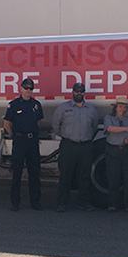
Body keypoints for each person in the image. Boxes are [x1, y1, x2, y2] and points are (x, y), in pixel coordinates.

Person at [51, 82, 99, 212]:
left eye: (81, 91)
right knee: (66, 175)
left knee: (84, 176)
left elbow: (94, 127)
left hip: (85, 146)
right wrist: (66, 136)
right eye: (77, 91)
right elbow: (56, 125)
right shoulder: (63, 108)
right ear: (72, 92)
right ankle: (62, 203)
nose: (79, 93)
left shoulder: (91, 109)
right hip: (69, 145)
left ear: (84, 93)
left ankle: (84, 203)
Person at [3, 78, 44, 211]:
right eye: (26, 87)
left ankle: (35, 202)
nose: (28, 90)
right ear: (21, 88)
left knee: (35, 172)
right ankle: (15, 202)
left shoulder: (36, 105)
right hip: (20, 141)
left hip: (32, 142)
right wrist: (15, 136)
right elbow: (7, 124)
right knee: (17, 173)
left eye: (30, 88)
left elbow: (39, 122)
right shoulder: (14, 104)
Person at [103, 96, 128, 213]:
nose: (122, 109)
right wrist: (125, 129)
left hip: (127, 150)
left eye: (124, 107)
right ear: (116, 107)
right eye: (120, 107)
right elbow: (109, 129)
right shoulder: (109, 118)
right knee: (113, 178)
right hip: (112, 150)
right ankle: (113, 204)